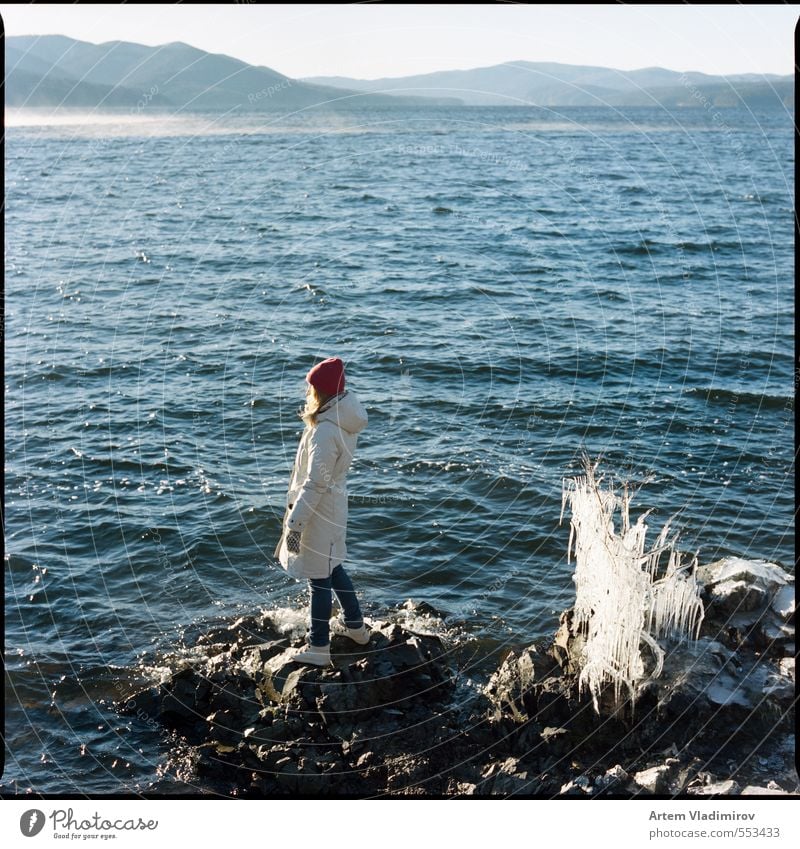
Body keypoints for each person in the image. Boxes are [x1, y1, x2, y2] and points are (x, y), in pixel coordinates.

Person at [274, 356, 370, 666]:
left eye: (311, 388)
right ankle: (356, 628)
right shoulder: (341, 416)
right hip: (333, 506)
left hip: (318, 512)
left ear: (321, 393)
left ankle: (318, 647)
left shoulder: (326, 431)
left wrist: (296, 522)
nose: (308, 393)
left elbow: (314, 484)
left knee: (318, 577)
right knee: (333, 567)